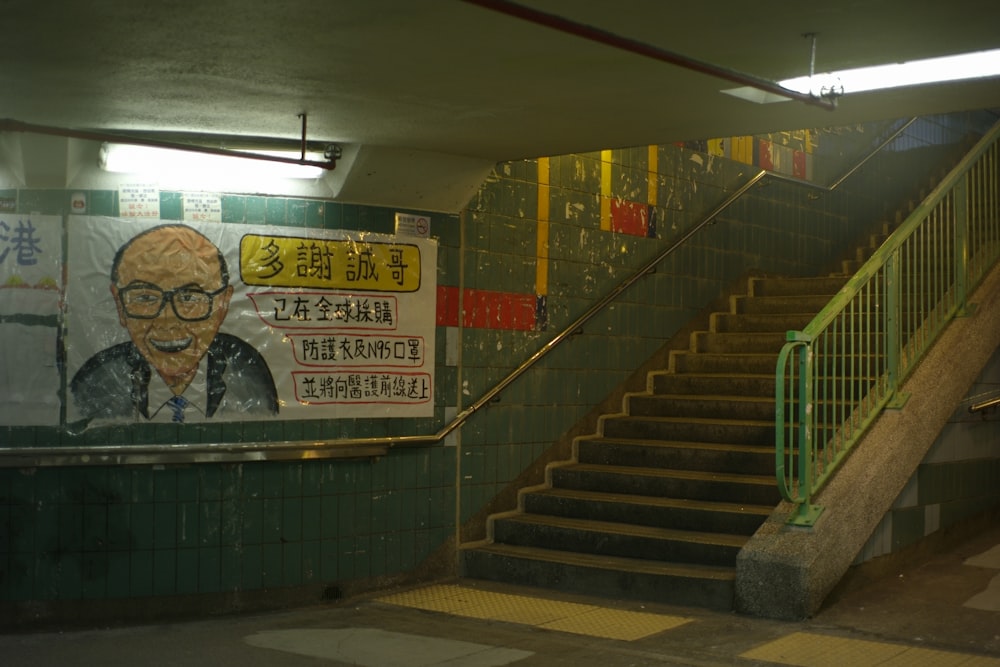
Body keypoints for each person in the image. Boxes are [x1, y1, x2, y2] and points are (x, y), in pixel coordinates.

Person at [71, 223, 278, 422]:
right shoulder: (95, 383)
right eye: (145, 298)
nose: (168, 321)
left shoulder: (248, 372)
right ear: (120, 305)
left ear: (222, 305)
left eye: (189, 298)